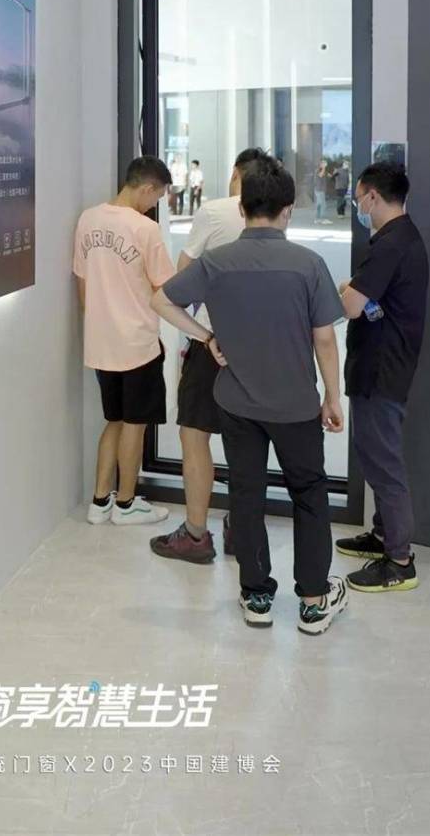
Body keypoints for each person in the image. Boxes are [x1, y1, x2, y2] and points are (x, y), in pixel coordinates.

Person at [152, 155, 349, 635]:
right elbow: (325, 339)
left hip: (237, 403)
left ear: (242, 209)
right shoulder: (308, 265)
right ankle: (313, 601)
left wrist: (205, 336)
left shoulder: (217, 262)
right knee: (309, 494)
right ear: (288, 210)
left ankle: (257, 596)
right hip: (296, 405)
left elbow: (161, 298)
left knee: (246, 493)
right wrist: (332, 396)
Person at [150, 148, 265, 565]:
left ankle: (196, 534)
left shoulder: (214, 212)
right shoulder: (274, 218)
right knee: (246, 439)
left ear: (236, 174)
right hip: (259, 346)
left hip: (212, 342)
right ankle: (241, 528)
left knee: (195, 434)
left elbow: (182, 280)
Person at [337, 162, 429, 593]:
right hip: (383, 366)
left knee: (384, 463)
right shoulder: (403, 237)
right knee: (374, 455)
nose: (358, 206)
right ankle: (381, 535)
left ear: (372, 196)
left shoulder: (391, 244)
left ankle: (399, 560)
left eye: (358, 198)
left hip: (381, 370)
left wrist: (346, 290)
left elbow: (351, 304)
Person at [74, 155, 176, 527]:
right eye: (157, 197)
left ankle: (100, 502)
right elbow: (165, 287)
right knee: (135, 424)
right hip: (137, 344)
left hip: (101, 343)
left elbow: (82, 285)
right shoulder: (145, 229)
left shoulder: (88, 219)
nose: (154, 205)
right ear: (147, 188)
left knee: (114, 421)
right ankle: (127, 503)